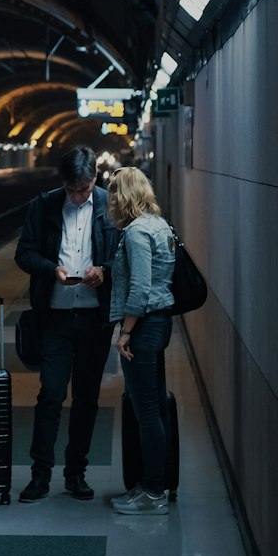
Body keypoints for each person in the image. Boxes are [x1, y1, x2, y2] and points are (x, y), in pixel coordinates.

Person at [14, 145, 120, 503]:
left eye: (84, 189)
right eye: (72, 190)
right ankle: (40, 475)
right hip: (55, 318)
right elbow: (24, 253)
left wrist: (103, 271)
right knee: (51, 395)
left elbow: (124, 256)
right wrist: (50, 269)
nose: (77, 196)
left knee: (87, 398)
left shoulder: (110, 205)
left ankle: (76, 474)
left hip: (95, 319)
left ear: (95, 180)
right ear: (63, 184)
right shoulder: (43, 205)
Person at [107, 165, 177, 515]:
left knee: (147, 412)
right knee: (156, 409)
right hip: (160, 324)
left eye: (113, 195)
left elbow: (140, 289)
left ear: (123, 197)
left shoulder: (136, 233)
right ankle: (154, 484)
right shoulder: (160, 225)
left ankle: (154, 493)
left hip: (144, 327)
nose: (110, 203)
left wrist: (125, 333)